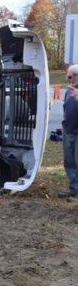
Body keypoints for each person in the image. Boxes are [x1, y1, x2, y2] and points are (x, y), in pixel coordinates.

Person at [61, 64, 78, 201]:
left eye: (70, 77)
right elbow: (66, 108)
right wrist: (63, 124)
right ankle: (74, 190)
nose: (68, 79)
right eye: (67, 77)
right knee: (69, 162)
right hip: (68, 132)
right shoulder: (68, 91)